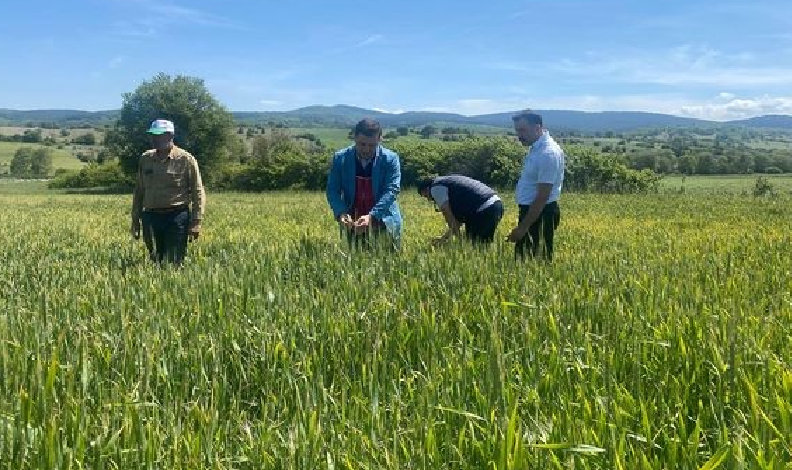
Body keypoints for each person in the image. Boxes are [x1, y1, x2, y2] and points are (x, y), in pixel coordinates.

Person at [131, 119, 205, 265]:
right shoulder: (145, 159)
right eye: (152, 135)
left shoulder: (186, 159)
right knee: (155, 259)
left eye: (158, 135)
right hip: (150, 217)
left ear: (170, 136)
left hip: (176, 217)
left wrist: (196, 221)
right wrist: (135, 220)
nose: (154, 139)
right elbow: (139, 190)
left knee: (174, 261)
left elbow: (198, 191)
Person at [326, 118, 402, 250]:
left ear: (380, 140)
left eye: (372, 145)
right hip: (352, 222)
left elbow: (391, 190)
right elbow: (332, 190)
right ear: (354, 138)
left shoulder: (390, 159)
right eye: (362, 144)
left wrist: (372, 217)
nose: (366, 149)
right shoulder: (341, 158)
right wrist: (341, 212)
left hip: (384, 219)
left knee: (387, 263)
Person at [506, 111, 565, 261]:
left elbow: (542, 197)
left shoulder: (548, 153)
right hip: (533, 212)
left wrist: (523, 228)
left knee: (537, 261)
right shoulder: (537, 148)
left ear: (537, 128)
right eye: (517, 130)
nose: (519, 135)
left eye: (523, 130)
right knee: (524, 260)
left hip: (541, 213)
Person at [417, 174, 503, 245]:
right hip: (495, 205)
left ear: (427, 189)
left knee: (474, 247)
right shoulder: (447, 182)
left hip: (482, 210)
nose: (429, 199)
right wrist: (443, 239)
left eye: (426, 196)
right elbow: (456, 223)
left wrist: (460, 242)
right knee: (483, 246)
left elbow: (447, 213)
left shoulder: (435, 188)